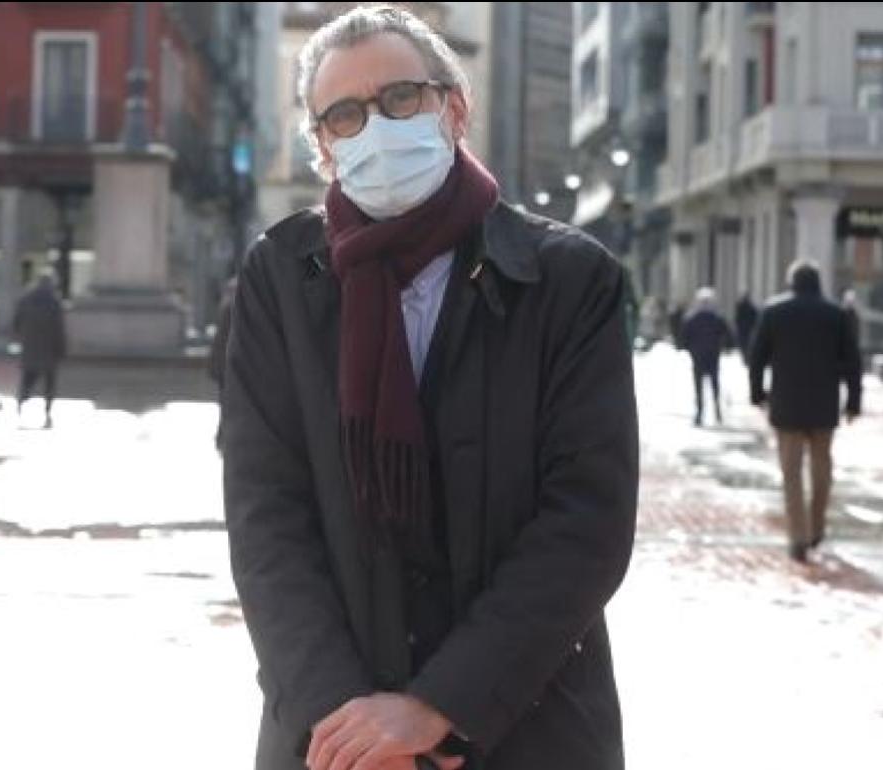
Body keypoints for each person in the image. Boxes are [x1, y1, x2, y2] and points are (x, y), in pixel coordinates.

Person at [221, 7, 638, 770]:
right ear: (321, 145)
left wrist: (440, 709)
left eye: (400, 98)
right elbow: (264, 514)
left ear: (454, 106)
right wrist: (343, 718)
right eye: (345, 114)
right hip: (332, 744)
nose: (375, 126)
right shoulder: (279, 279)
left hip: (528, 730)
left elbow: (587, 520)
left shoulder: (571, 280)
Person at [749, 260, 861, 563]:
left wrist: (758, 394)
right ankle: (817, 527)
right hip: (824, 405)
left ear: (791, 283)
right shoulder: (836, 314)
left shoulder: (774, 311)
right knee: (822, 470)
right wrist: (853, 402)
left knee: (791, 474)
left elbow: (757, 357)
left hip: (787, 404)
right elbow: (853, 362)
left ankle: (798, 536)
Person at [13, 271, 66, 429]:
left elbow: (16, 322)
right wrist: (61, 348)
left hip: (30, 346)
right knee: (49, 384)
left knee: (27, 380)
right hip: (49, 348)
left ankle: (20, 406)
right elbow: (59, 327)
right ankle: (47, 412)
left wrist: (23, 337)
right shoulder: (54, 301)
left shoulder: (26, 299)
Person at [681, 287, 732, 426]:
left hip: (698, 356)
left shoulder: (692, 318)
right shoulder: (717, 317)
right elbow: (728, 334)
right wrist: (724, 347)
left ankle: (700, 413)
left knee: (699, 385)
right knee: (714, 384)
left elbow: (684, 338)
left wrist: (690, 349)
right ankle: (717, 412)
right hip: (713, 355)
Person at [208, 276, 238, 449]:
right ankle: (223, 436)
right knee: (227, 402)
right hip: (226, 367)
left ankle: (222, 436)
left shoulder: (227, 307)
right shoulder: (232, 309)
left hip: (223, 367)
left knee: (225, 402)